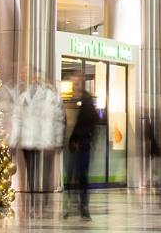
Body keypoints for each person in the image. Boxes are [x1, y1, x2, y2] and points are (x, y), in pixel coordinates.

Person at [64, 73, 99, 220]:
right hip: (70, 144)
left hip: (82, 144)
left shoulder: (87, 100)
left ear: (82, 83)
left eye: (77, 82)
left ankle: (84, 206)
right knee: (70, 175)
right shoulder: (68, 98)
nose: (75, 85)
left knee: (82, 176)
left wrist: (85, 139)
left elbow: (92, 121)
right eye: (73, 82)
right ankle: (69, 206)